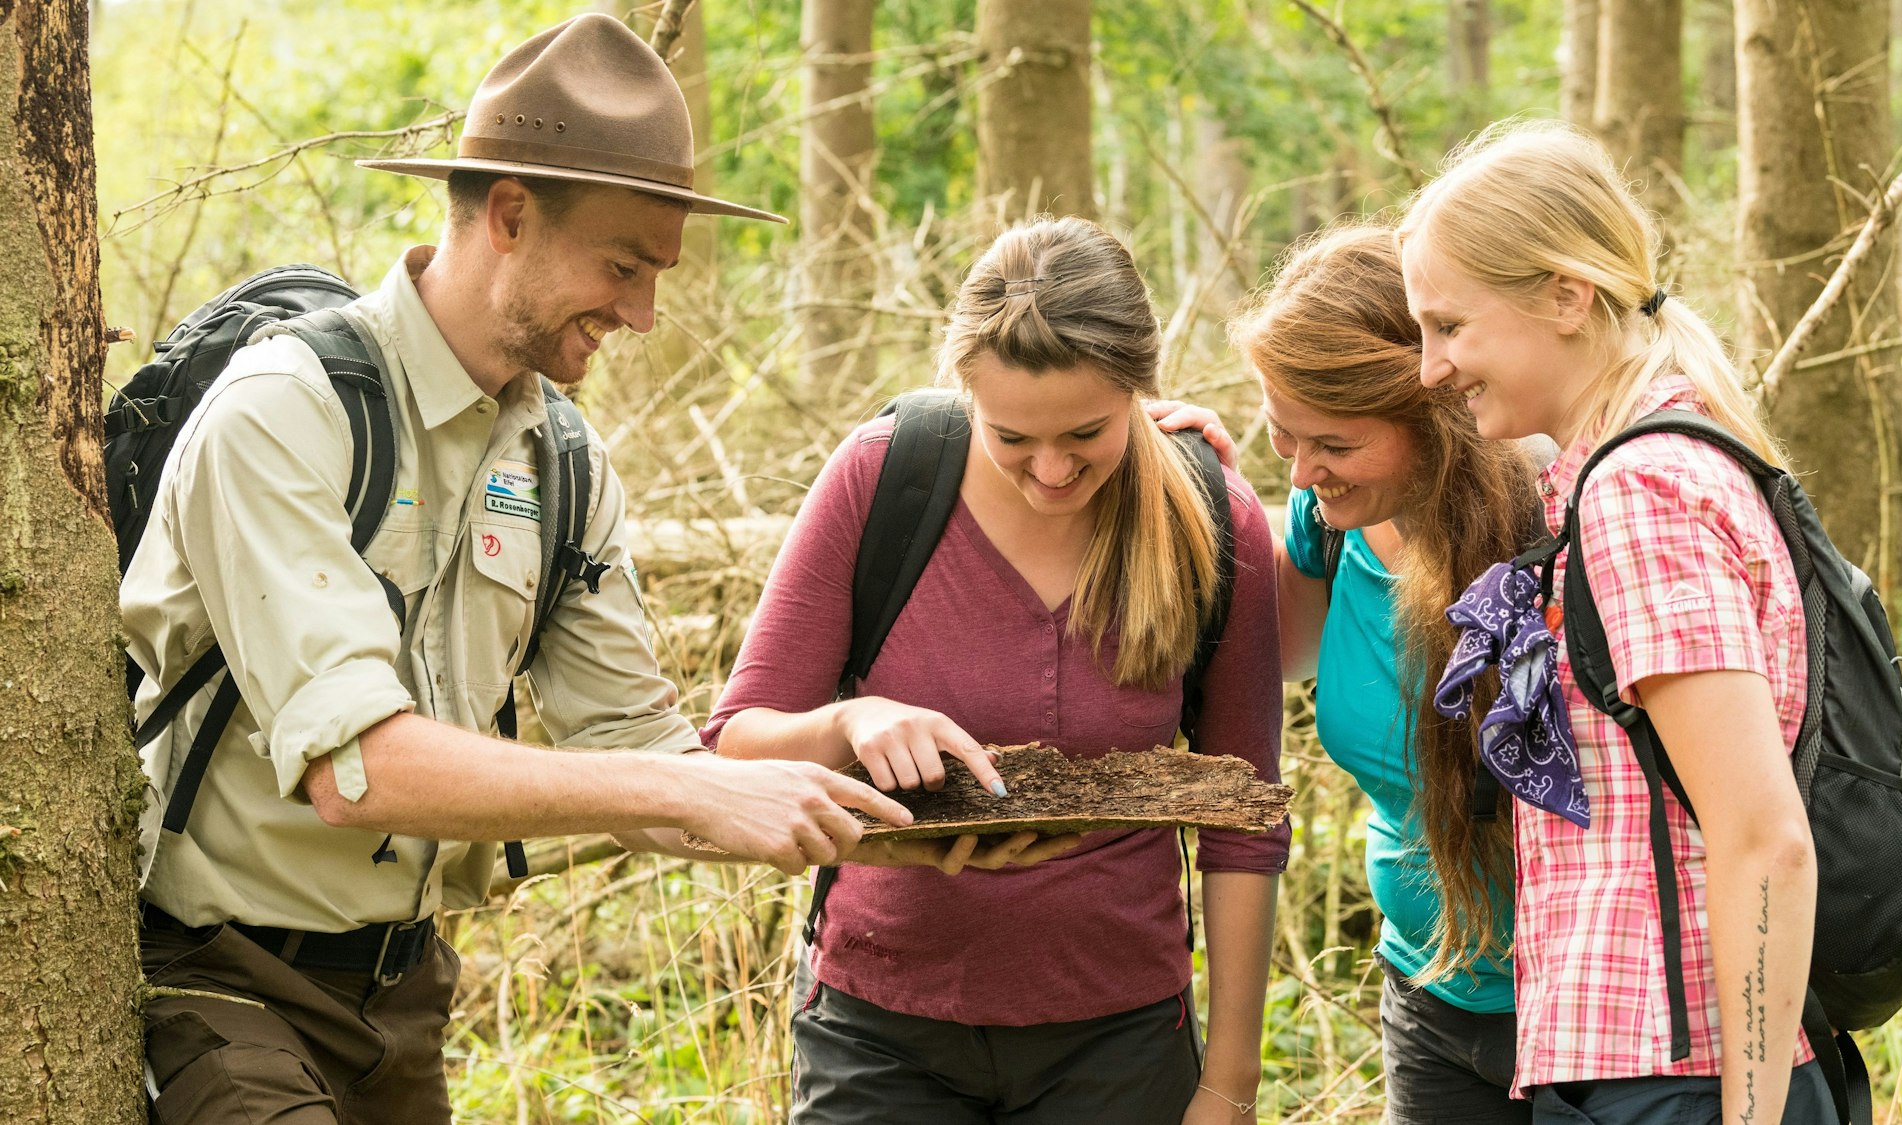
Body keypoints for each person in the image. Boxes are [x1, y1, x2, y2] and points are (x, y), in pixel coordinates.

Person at [120, 15, 912, 1125]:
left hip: (401, 994)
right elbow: (359, 775)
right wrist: (690, 787)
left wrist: (871, 800)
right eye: (624, 265)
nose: (641, 314)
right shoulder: (286, 413)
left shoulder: (564, 465)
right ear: (506, 215)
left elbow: (636, 754)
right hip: (213, 978)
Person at [704, 216, 1289, 1125]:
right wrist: (849, 724)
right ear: (964, 391)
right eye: (1011, 436)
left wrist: (1228, 1085)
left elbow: (1244, 817)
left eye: (1087, 433)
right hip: (880, 1034)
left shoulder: (1214, 518)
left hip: (1120, 1043)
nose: (1051, 469)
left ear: (1142, 388)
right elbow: (733, 748)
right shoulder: (882, 478)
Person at [1398, 120, 1837, 1124]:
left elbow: (1762, 837)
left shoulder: (1639, 490)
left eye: (1448, 327)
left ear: (1565, 296)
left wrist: (1747, 1114)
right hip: (1639, 1064)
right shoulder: (1633, 468)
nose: (1430, 367)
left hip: (1675, 1076)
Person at [1160, 223, 1546, 1122]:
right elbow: (1277, 654)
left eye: (1329, 441)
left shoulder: (1555, 526)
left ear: (1435, 413)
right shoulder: (1327, 520)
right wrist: (1207, 497)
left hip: (1585, 1010)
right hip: (1427, 998)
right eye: (1281, 436)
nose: (1299, 470)